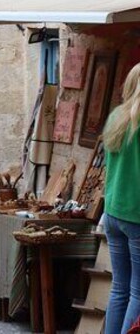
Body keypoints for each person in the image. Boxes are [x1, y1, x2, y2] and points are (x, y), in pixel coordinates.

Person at [102, 63, 140, 334]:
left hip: (114, 212)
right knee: (138, 292)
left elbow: (109, 166)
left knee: (119, 288)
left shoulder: (117, 116)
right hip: (136, 215)